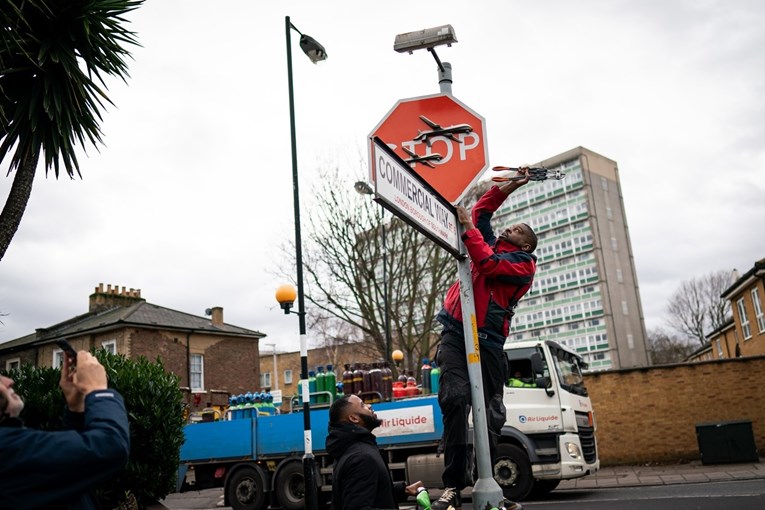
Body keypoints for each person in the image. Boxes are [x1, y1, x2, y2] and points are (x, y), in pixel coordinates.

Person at [432, 168, 537, 510]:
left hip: (488, 341)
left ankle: (488, 481)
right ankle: (453, 486)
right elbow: (481, 213)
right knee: (455, 398)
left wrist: (468, 230)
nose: (511, 227)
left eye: (518, 229)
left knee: (490, 413)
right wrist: (509, 185)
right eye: (512, 225)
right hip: (454, 331)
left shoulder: (523, 264)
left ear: (526, 244)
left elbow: (489, 265)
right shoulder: (489, 240)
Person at [0, 350, 131, 510]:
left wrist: (77, 408)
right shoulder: (6, 446)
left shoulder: (9, 444)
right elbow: (110, 445)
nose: (9, 380)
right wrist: (99, 391)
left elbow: (69, 467)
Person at [327, 394, 426, 510]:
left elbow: (367, 490)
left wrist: (404, 490)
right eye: (362, 405)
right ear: (354, 418)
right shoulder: (361, 457)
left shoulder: (356, 449)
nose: (369, 406)